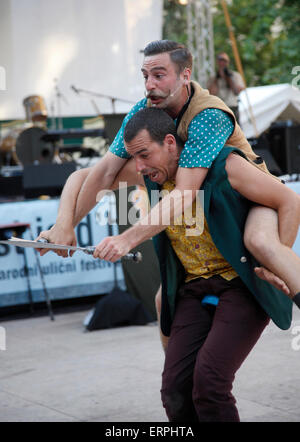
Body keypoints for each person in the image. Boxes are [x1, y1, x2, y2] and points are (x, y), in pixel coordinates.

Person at [38, 39, 299, 302]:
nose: (149, 84)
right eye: (145, 76)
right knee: (165, 301)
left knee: (262, 243)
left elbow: (185, 192)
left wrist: (127, 239)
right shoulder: (144, 110)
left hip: (251, 198)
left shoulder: (208, 114)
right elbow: (101, 172)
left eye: (159, 76)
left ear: (185, 76)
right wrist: (63, 227)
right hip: (209, 205)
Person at [89, 107, 299, 422]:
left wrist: (276, 259)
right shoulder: (152, 177)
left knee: (210, 384)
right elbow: (85, 177)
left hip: (240, 286)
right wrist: (63, 225)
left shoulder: (225, 165)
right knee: (174, 389)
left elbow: (290, 200)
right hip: (192, 289)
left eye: (145, 154)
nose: (140, 167)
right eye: (134, 158)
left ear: (171, 143)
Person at [207, 52, 245, 122]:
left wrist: (228, 77)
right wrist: (217, 78)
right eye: (220, 60)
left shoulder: (235, 75)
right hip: (218, 108)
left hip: (232, 107)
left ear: (228, 62)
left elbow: (236, 91)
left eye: (224, 61)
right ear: (217, 62)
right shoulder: (213, 78)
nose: (222, 63)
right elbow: (211, 94)